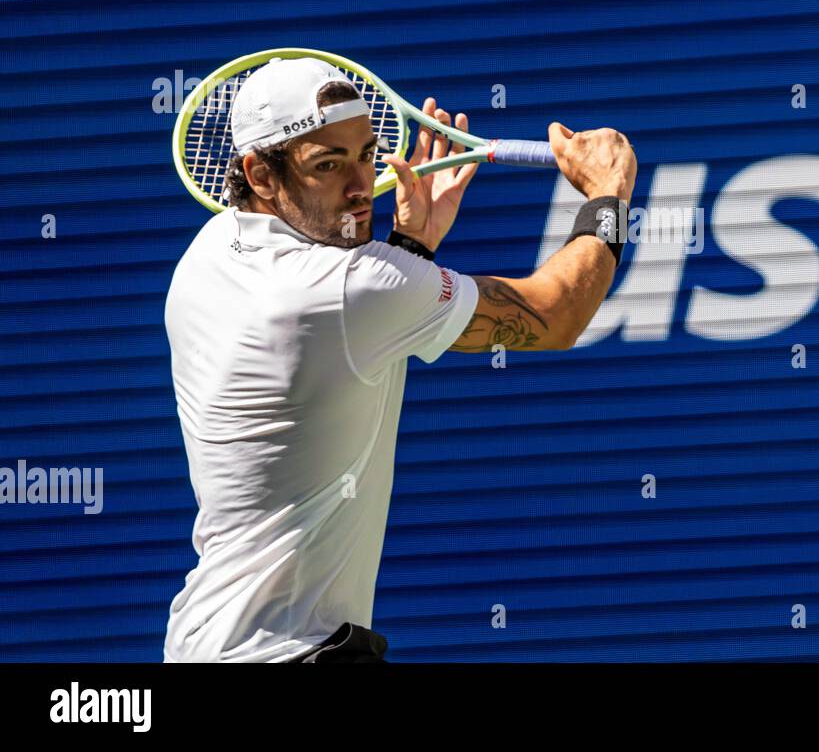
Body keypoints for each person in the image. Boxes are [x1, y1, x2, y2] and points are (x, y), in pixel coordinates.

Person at [162, 57, 635, 662]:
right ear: (259, 172)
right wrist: (608, 195)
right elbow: (558, 314)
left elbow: (343, 331)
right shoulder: (351, 290)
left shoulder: (209, 253)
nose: (362, 186)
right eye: (327, 164)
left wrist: (411, 248)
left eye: (367, 152)